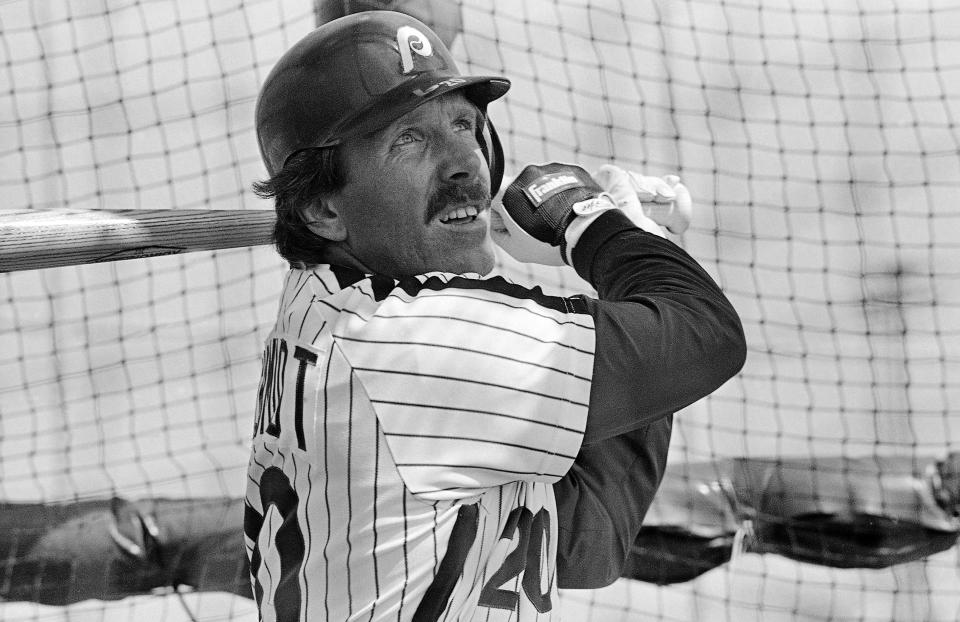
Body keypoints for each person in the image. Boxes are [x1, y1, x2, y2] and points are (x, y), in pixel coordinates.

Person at [243, 10, 746, 621]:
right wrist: (596, 230)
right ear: (323, 210)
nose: (466, 167)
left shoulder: (323, 300)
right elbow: (705, 335)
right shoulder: (416, 347)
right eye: (410, 139)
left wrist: (634, 253)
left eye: (463, 124)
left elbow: (588, 540)